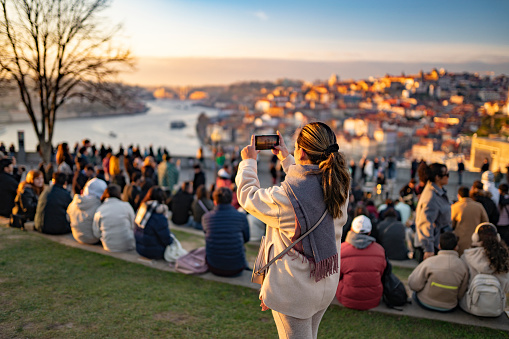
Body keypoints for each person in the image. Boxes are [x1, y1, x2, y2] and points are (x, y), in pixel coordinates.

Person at [236, 123, 350, 339]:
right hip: (325, 284)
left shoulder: (287, 198)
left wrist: (249, 162)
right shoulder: (338, 185)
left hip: (295, 290)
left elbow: (248, 196)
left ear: (302, 152)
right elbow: (308, 184)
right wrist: (287, 158)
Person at [408, 232, 469, 312]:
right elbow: (461, 293)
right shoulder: (463, 266)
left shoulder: (430, 261)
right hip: (449, 306)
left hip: (426, 302)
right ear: (456, 247)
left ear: (439, 246)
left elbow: (413, 284)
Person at [336, 215, 387, 310]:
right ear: (370, 232)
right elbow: (381, 272)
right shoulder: (380, 250)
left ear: (351, 229)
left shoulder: (341, 249)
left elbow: (336, 276)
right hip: (373, 298)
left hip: (347, 298)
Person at [460, 223, 509, 316]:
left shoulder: (467, 256)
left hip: (469, 306)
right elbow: (506, 288)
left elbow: (463, 284)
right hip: (496, 309)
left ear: (475, 237)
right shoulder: (504, 258)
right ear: (498, 237)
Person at [202, 187, 249, 277]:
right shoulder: (241, 217)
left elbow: (207, 235)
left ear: (215, 201)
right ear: (232, 200)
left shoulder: (206, 217)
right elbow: (246, 238)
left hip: (214, 266)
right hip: (237, 267)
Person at [414, 163, 452, 262]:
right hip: (434, 246)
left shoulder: (438, 193)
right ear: (437, 177)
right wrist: (428, 249)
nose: (448, 177)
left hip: (438, 243)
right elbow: (425, 223)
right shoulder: (431, 196)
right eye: (446, 174)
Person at [93, 184, 135, 252]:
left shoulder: (100, 209)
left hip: (108, 245)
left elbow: (96, 232)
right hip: (128, 244)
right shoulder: (126, 206)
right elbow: (133, 226)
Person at [134, 186, 174, 260]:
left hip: (139, 249)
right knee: (172, 239)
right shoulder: (159, 216)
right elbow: (167, 239)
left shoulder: (141, 209)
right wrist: (172, 239)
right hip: (154, 252)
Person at [67, 178, 107, 244]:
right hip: (94, 239)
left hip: (77, 236)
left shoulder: (74, 202)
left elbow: (68, 218)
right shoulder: (99, 206)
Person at [451, 186, 488, 255]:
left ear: (458, 195)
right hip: (476, 241)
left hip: (460, 241)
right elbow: (485, 223)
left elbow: (451, 224)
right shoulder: (479, 206)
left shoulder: (454, 207)